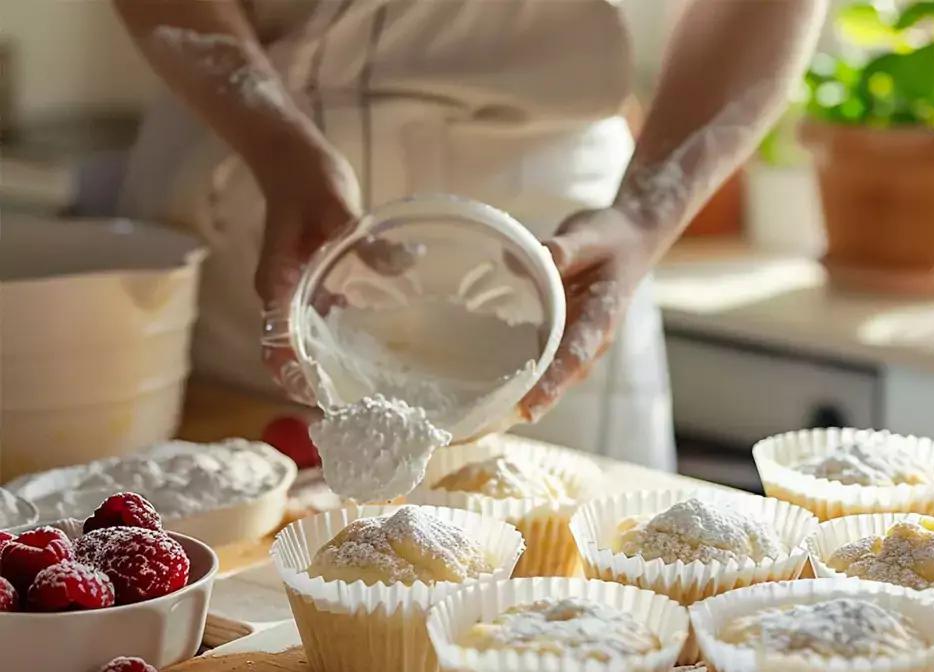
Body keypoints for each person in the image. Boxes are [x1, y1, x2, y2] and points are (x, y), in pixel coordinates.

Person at [112, 0, 828, 472]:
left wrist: (645, 215)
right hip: (250, 205)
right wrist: (276, 145)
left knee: (569, 628)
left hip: (553, 265)